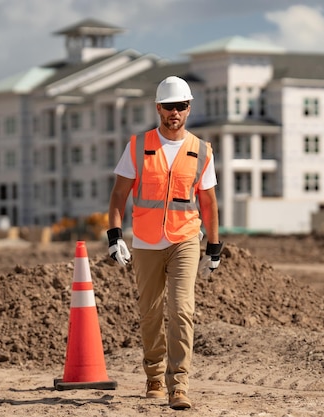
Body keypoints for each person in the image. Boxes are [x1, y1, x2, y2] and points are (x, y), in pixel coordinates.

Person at [107, 75, 222, 410]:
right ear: (158, 108)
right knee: (151, 313)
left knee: (182, 310)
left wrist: (214, 247)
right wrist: (115, 236)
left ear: (189, 109)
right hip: (145, 241)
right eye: (169, 106)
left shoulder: (201, 150)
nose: (175, 112)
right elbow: (118, 195)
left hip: (185, 239)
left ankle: (179, 385)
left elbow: (210, 203)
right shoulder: (138, 146)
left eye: (182, 106)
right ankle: (155, 376)